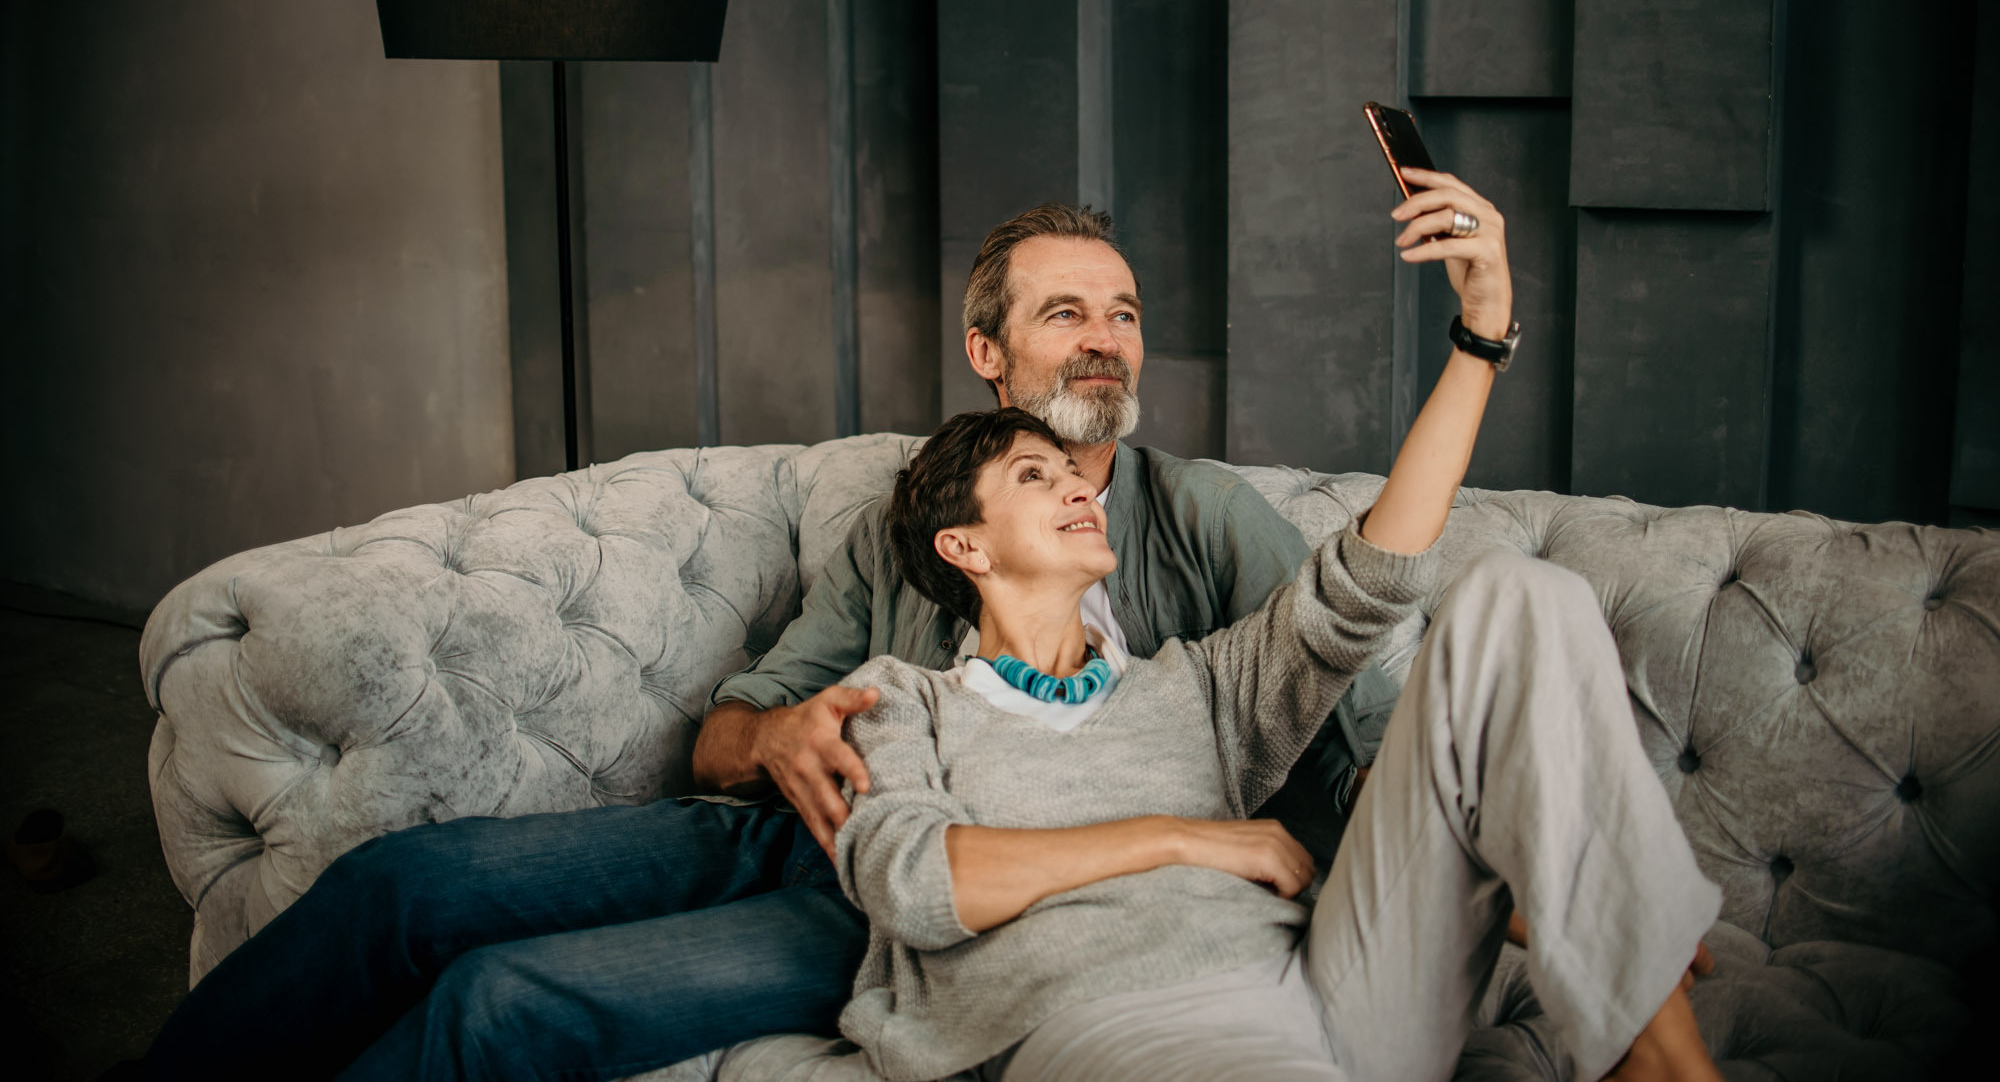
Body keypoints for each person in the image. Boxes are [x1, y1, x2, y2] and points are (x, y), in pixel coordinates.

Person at [137, 197, 1393, 1081]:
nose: (1105, 339)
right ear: (987, 353)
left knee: (503, 998)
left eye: (1120, 313)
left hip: (917, 902)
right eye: (1064, 313)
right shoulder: (912, 519)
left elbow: (1331, 748)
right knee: (394, 889)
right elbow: (723, 740)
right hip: (781, 827)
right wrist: (778, 734)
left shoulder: (1205, 520)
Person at [824, 315, 1723, 1074]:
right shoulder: (902, 700)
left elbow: (1362, 582)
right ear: (965, 547)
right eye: (1034, 475)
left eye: (1073, 474)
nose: (1076, 487)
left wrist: (1479, 340)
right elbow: (914, 883)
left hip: (1340, 982)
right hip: (1121, 1020)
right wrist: (1183, 838)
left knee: (1520, 594)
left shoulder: (1196, 681)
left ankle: (1660, 1058)